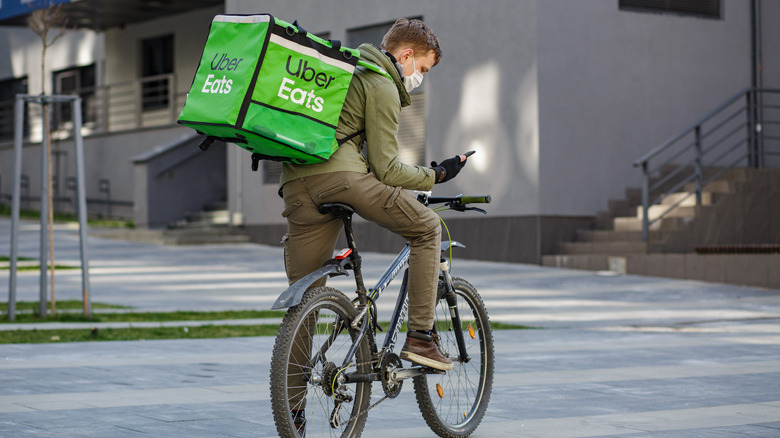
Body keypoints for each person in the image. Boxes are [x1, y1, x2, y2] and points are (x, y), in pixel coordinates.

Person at [280, 17, 466, 378]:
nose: (420, 76)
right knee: (427, 229)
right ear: (407, 54)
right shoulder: (380, 81)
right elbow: (387, 170)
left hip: (295, 187)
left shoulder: (345, 71)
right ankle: (421, 338)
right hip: (342, 181)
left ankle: (295, 411)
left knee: (305, 301)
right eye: (423, 68)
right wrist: (437, 175)